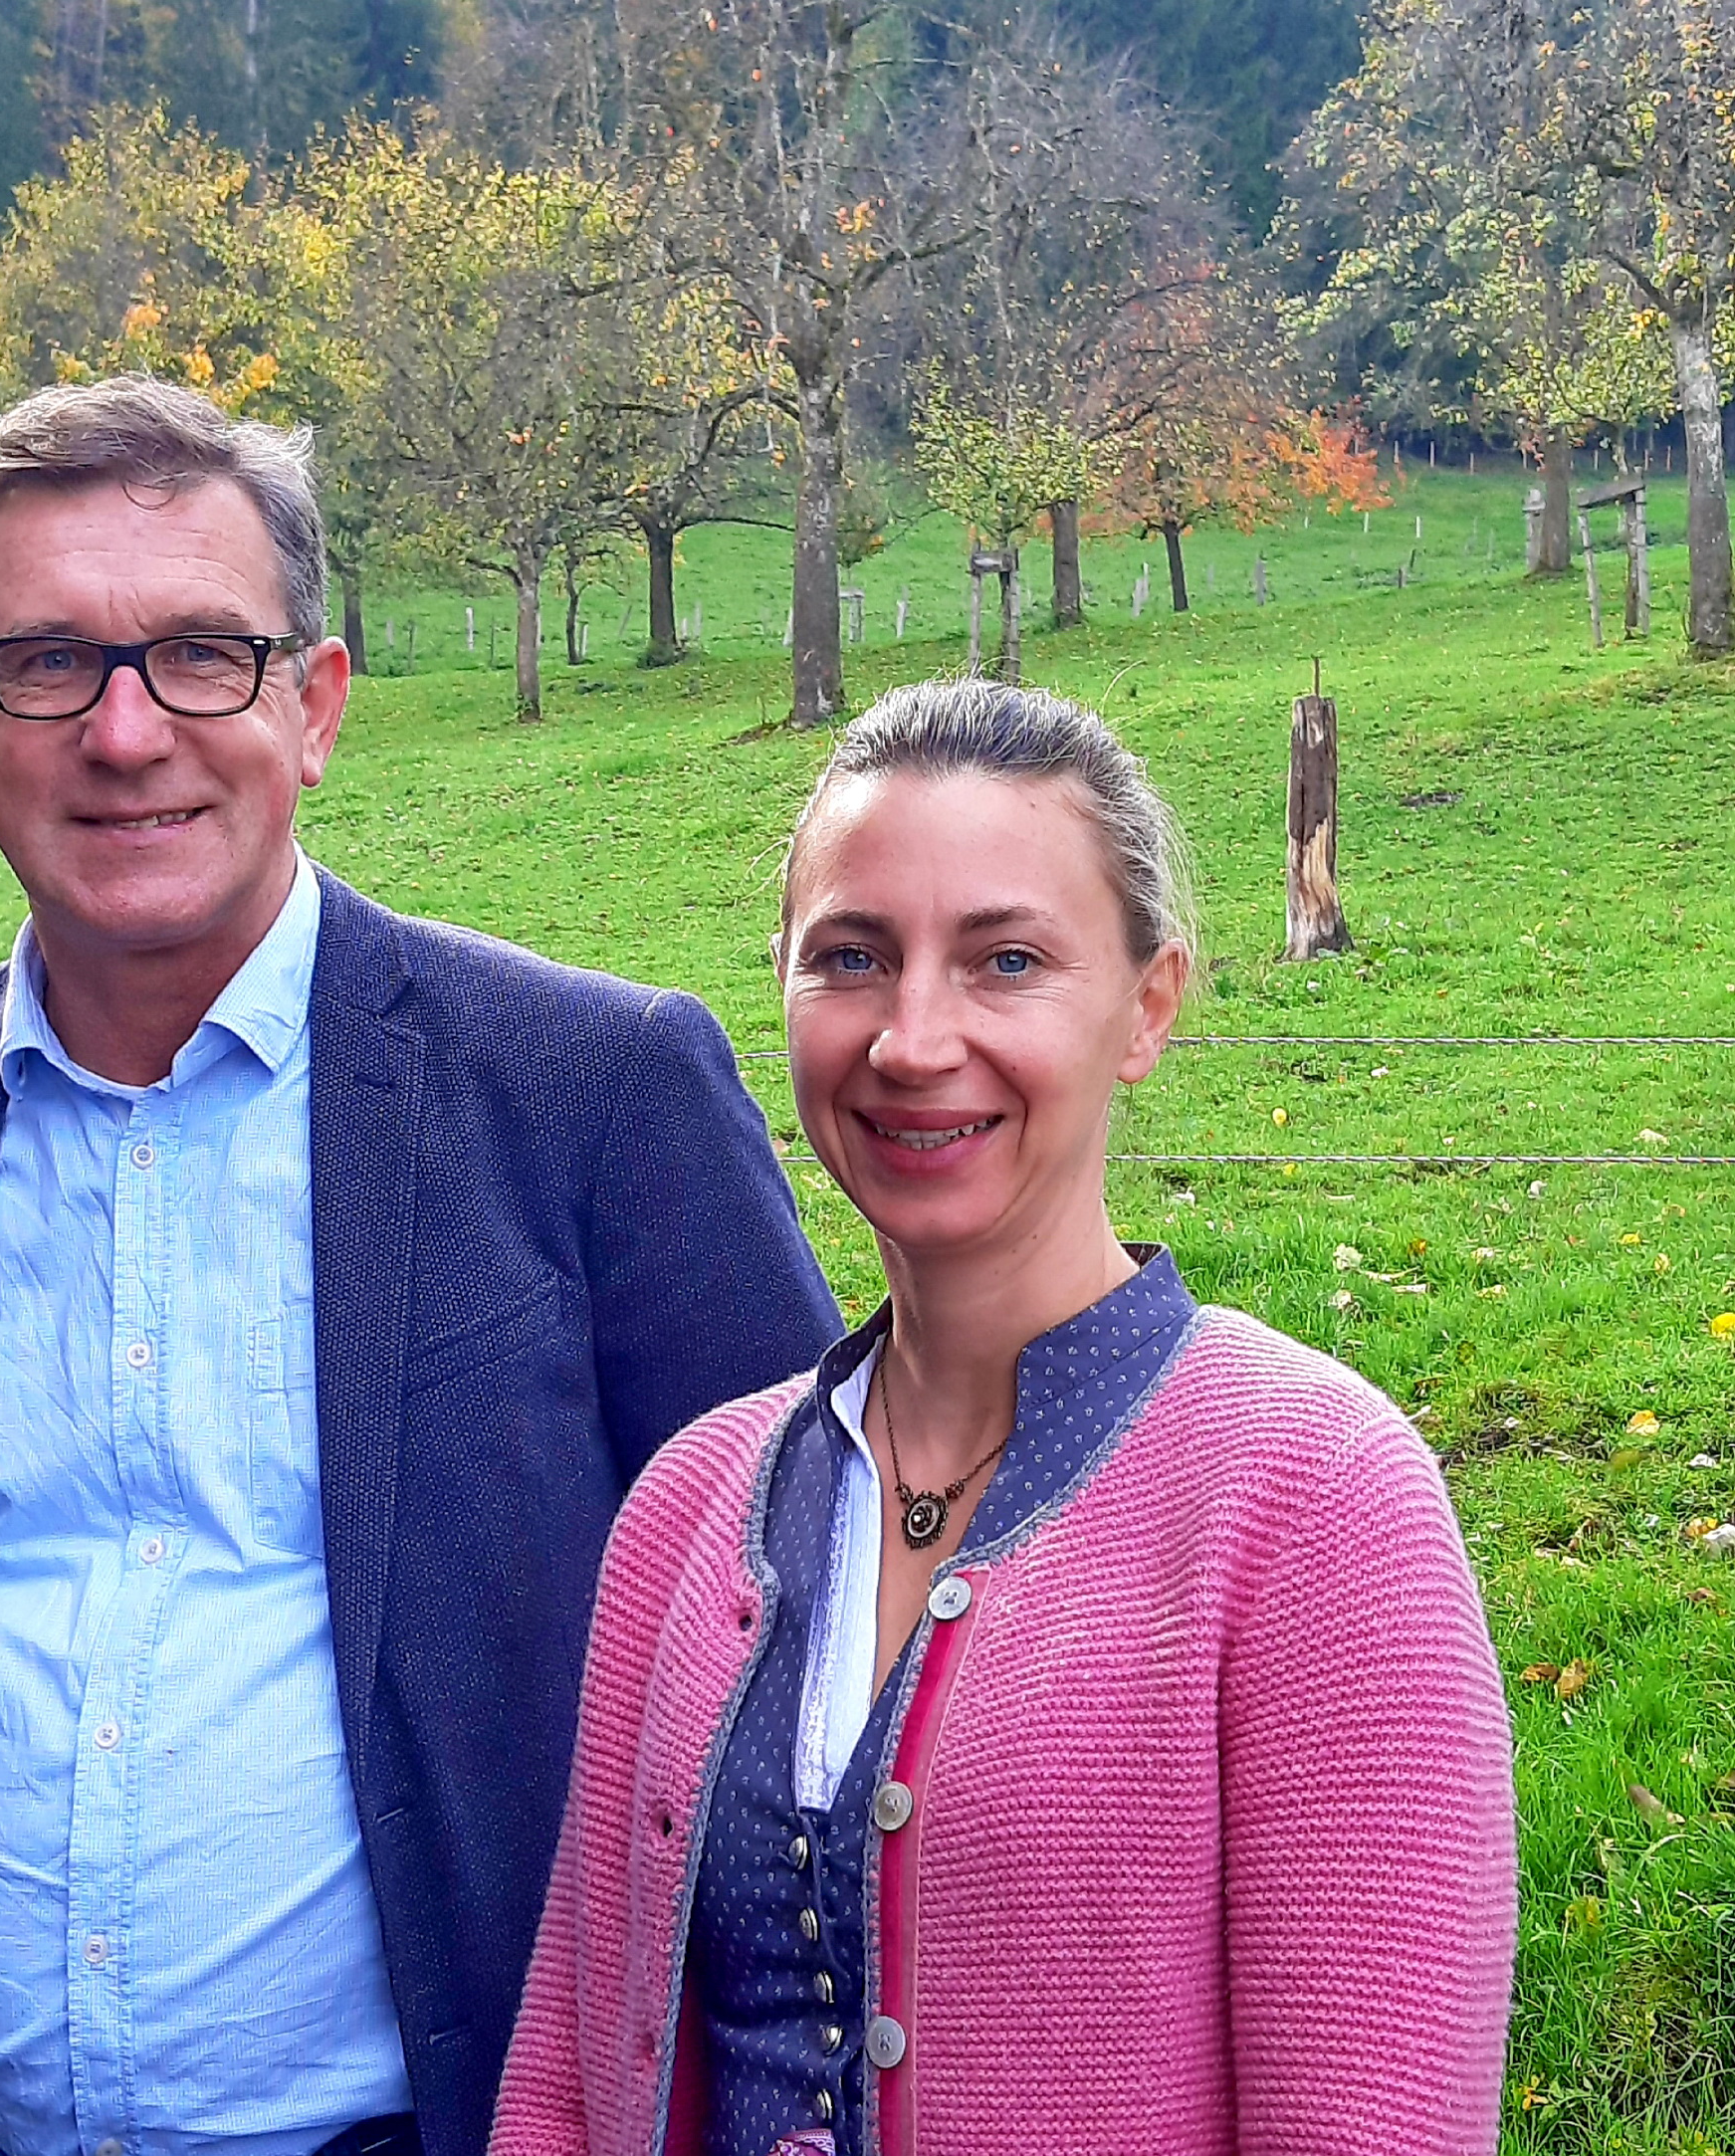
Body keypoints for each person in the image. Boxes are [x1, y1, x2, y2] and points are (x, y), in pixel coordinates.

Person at [0, 376, 845, 2156]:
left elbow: (794, 1635)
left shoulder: (589, 1092)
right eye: (48, 663)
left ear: (314, 702)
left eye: (203, 654)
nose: (126, 732)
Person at [495, 680, 1516, 2155]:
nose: (913, 1039)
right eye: (852, 957)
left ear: (1146, 1006)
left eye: (1006, 961)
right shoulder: (684, 1509)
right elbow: (562, 2083)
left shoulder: (1315, 1503)